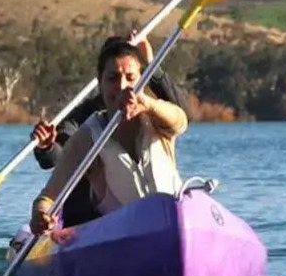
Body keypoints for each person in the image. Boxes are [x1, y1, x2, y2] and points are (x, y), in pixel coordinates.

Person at [30, 36, 190, 235]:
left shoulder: (158, 118)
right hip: (121, 236)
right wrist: (41, 214)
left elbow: (181, 121)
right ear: (101, 83)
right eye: (112, 78)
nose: (122, 86)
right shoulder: (87, 134)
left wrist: (147, 103)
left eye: (130, 78)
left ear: (143, 80)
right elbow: (48, 196)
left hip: (175, 226)